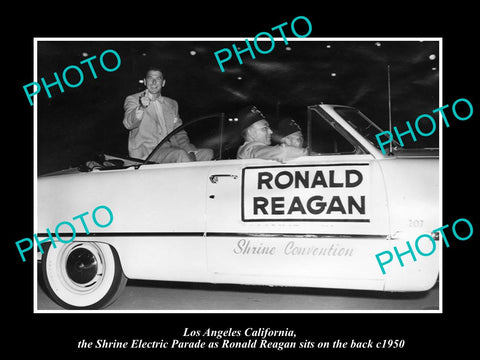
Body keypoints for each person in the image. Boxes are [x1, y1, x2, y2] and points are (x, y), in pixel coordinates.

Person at [122, 67, 213, 163]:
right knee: (180, 154)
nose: (153, 82)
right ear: (145, 81)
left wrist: (189, 150)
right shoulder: (133, 99)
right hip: (148, 153)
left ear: (163, 83)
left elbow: (179, 132)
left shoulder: (172, 104)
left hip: (171, 148)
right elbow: (128, 123)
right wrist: (140, 107)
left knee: (208, 154)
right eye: (150, 78)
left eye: (158, 78)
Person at [236, 105, 308, 162]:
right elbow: (282, 152)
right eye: (264, 128)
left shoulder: (252, 151)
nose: (271, 131)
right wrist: (308, 153)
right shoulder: (250, 150)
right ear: (250, 132)